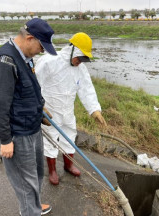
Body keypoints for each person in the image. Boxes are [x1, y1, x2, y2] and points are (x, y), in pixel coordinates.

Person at [0, 18, 57, 216]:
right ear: (29, 38)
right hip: (17, 135)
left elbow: (27, 92)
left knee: (36, 175)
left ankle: (33, 207)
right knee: (26, 185)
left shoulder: (24, 57)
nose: (41, 51)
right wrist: (6, 139)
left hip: (32, 128)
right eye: (41, 47)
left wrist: (40, 113)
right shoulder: (5, 61)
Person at [36, 32, 107, 185]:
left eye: (83, 60)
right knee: (50, 138)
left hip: (68, 110)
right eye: (79, 58)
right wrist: (38, 107)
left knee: (70, 135)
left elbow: (86, 89)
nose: (80, 62)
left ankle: (68, 165)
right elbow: (34, 83)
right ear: (72, 50)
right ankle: (53, 170)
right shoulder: (50, 61)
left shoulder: (80, 69)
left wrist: (94, 110)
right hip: (50, 110)